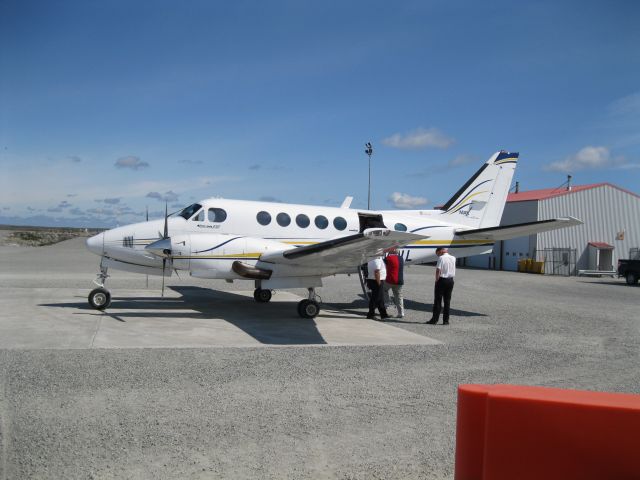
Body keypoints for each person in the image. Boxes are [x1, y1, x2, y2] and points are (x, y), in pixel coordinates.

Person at [426, 247, 456, 325]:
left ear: (440, 251)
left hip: (442, 280)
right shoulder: (453, 258)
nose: (438, 255)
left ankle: (434, 319)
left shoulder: (441, 258)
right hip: (450, 280)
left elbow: (438, 270)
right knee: (447, 301)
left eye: (437, 253)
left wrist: (437, 280)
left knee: (438, 301)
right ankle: (446, 321)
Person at [383, 247, 405, 318]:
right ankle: (401, 313)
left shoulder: (388, 258)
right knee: (399, 296)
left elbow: (383, 262)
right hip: (400, 281)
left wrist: (387, 251)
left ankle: (386, 302)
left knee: (384, 289)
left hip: (390, 280)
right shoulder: (401, 258)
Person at [366, 255, 389, 320]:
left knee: (380, 298)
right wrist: (379, 283)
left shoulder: (372, 258)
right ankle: (370, 314)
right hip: (376, 281)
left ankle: (383, 314)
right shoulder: (377, 259)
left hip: (374, 280)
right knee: (375, 298)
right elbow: (376, 272)